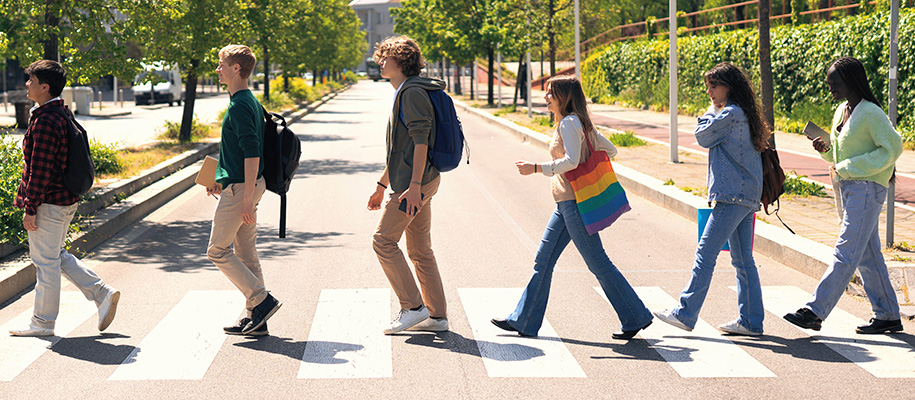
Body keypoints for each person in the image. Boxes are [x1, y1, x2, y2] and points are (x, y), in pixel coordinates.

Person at [490, 75, 653, 340]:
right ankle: (524, 320)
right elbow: (610, 150)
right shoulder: (581, 123)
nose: (545, 98)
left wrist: (537, 168)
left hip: (573, 202)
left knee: (597, 262)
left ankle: (635, 315)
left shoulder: (569, 123)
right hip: (565, 204)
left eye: (550, 94)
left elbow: (572, 161)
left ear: (564, 98)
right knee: (543, 261)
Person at [783, 57, 904, 334]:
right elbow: (840, 154)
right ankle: (887, 315)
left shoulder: (871, 113)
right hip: (850, 187)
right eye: (828, 83)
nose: (830, 88)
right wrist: (825, 149)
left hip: (867, 187)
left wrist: (849, 166)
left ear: (851, 80)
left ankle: (815, 311)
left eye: (834, 82)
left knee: (846, 251)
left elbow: (893, 148)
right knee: (868, 255)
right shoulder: (841, 111)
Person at [653, 62, 770, 336]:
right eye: (708, 86)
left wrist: (711, 110)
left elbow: (702, 136)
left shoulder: (729, 113)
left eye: (714, 86)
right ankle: (751, 321)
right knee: (743, 261)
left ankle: (686, 312)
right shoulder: (745, 113)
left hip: (731, 196)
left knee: (705, 254)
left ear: (730, 87)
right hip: (746, 194)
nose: (709, 91)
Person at [9, 60, 120, 337]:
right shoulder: (59, 112)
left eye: (31, 81)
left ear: (44, 87)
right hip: (64, 200)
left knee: (45, 263)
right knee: (54, 256)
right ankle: (101, 292)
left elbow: (40, 170)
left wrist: (30, 207)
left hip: (49, 203)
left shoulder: (46, 120)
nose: (27, 84)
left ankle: (42, 323)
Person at [367, 36, 449, 334]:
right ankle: (437, 316)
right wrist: (381, 184)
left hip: (415, 185)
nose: (380, 62)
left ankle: (413, 307)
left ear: (401, 62)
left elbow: (420, 142)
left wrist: (413, 185)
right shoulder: (406, 90)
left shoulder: (411, 93)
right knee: (419, 249)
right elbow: (400, 150)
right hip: (419, 182)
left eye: (385, 58)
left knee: (383, 241)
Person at [209, 45, 281, 336]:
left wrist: (247, 199)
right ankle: (256, 317)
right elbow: (237, 151)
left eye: (221, 64)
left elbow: (252, 152)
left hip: (243, 189)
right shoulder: (248, 99)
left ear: (236, 68)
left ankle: (261, 300)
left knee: (217, 250)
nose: (218, 69)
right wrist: (219, 177)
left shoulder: (239, 105)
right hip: (240, 184)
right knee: (246, 253)